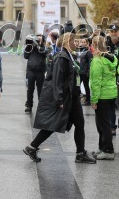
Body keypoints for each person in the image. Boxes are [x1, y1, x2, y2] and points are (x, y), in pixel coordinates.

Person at [24, 32, 96, 164]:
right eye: (74, 41)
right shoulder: (62, 58)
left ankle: (80, 153)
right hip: (65, 98)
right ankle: (32, 147)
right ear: (66, 42)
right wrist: (59, 99)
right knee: (53, 124)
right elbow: (57, 80)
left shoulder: (70, 56)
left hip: (73, 97)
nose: (76, 43)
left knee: (79, 123)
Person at [90, 36, 117, 160]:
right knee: (104, 123)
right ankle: (102, 147)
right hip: (111, 93)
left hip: (102, 95)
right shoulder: (111, 58)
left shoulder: (97, 60)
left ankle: (108, 150)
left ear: (95, 46)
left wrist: (94, 100)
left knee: (103, 124)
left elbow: (96, 82)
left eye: (92, 45)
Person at [23, 34, 47, 113]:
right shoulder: (31, 47)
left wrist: (38, 45)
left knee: (40, 90)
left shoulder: (44, 48)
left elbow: (44, 52)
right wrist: (29, 46)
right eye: (36, 39)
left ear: (42, 40)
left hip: (40, 72)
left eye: (39, 39)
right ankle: (29, 106)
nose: (37, 41)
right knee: (30, 89)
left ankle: (41, 106)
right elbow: (25, 56)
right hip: (30, 71)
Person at [76, 37, 93, 105]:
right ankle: (77, 98)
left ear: (87, 43)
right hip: (78, 72)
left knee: (86, 86)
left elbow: (90, 63)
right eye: (82, 42)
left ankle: (88, 100)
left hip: (84, 72)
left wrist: (88, 71)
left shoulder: (88, 52)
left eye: (84, 42)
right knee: (77, 85)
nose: (82, 43)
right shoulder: (78, 50)